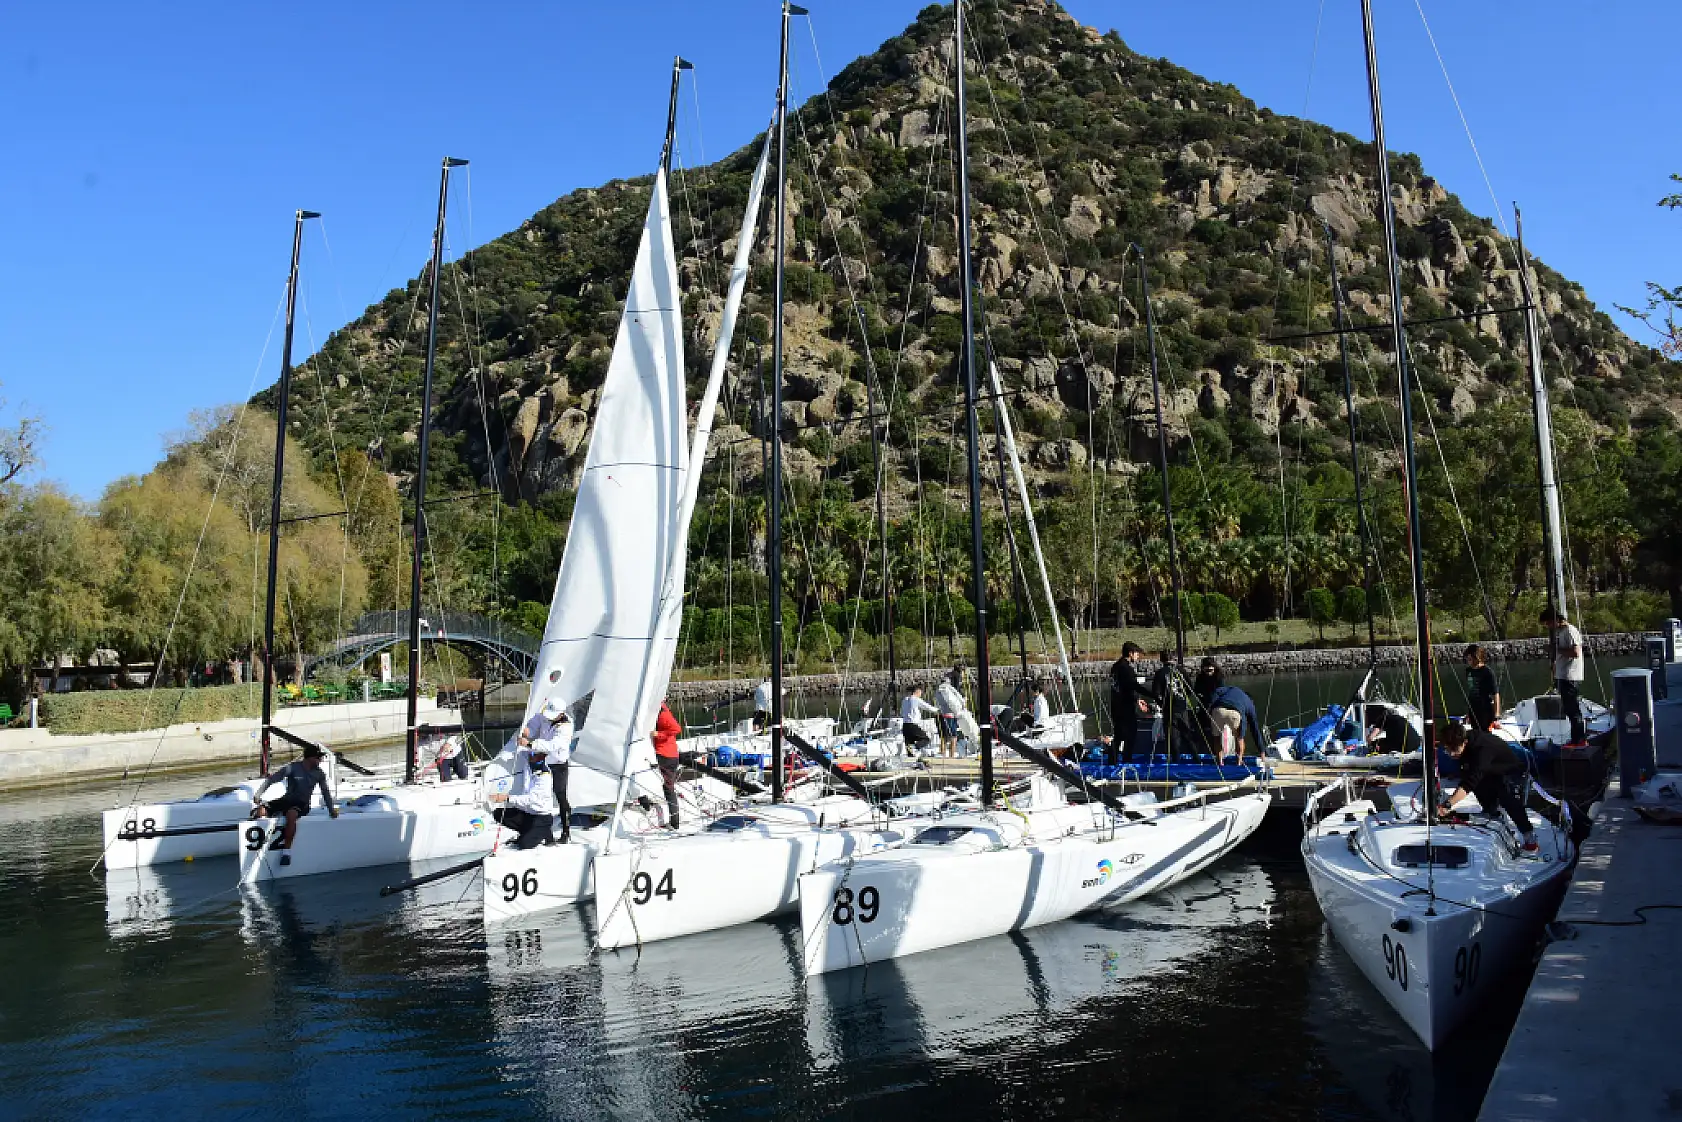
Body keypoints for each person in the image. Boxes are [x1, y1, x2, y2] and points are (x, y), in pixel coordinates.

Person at [1439, 722, 1539, 853]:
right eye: (1447, 750)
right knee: (1477, 783)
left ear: (1465, 742)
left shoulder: (1483, 748)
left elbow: (1470, 782)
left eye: (1454, 750)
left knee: (1507, 797)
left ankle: (1530, 839)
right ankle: (1491, 812)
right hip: (1490, 771)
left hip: (1510, 771)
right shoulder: (1462, 743)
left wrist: (1448, 804)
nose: (1451, 754)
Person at [251, 744, 339, 850]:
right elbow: (272, 779)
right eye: (318, 758)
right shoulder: (292, 768)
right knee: (260, 810)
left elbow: (325, 792)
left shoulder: (319, 774)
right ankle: (257, 842)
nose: (320, 760)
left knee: (291, 815)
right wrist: (258, 795)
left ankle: (287, 852)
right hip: (287, 800)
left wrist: (331, 810)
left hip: (302, 804)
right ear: (310, 758)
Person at [518, 697, 573, 843]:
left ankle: (566, 832)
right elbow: (534, 723)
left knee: (560, 796)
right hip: (542, 762)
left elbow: (553, 745)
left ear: (561, 714)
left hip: (557, 764)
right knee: (541, 796)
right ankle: (544, 833)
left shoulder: (566, 727)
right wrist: (527, 731)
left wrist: (530, 744)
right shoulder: (544, 714)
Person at [492, 741, 558, 850]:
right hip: (527, 813)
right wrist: (524, 739)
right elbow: (519, 749)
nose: (529, 756)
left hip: (541, 816)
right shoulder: (528, 764)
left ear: (541, 757)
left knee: (524, 844)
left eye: (532, 755)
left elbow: (532, 800)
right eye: (529, 754)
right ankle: (528, 832)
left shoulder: (544, 776)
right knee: (499, 814)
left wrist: (507, 798)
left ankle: (545, 832)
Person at [1540, 609, 1586, 745]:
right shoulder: (1561, 632)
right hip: (1563, 675)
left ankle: (1580, 740)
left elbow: (1575, 652)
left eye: (1548, 623)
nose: (1548, 626)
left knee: (1573, 710)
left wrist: (1555, 650)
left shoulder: (1570, 631)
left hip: (1570, 676)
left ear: (1555, 620)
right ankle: (1575, 738)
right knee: (1569, 709)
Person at [1106, 642, 1151, 765]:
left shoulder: (1115, 667)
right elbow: (1134, 686)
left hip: (1116, 705)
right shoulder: (1126, 668)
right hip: (1125, 707)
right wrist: (1153, 695)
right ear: (1130, 653)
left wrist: (1137, 699)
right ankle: (1127, 761)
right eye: (1137, 653)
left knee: (1119, 735)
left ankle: (1113, 761)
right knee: (1130, 735)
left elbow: (1125, 687)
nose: (1138, 656)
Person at [1206, 680, 1264, 762]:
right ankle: (1239, 762)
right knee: (1239, 738)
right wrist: (1262, 751)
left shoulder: (1233, 689)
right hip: (1235, 713)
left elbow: (1216, 691)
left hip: (1218, 710)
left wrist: (1211, 705)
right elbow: (1255, 730)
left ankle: (1220, 762)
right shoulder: (1250, 704)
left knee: (1217, 738)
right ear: (1252, 700)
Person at [652, 700, 683, 829]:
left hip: (666, 755)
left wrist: (659, 734)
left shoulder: (663, 714)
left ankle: (674, 823)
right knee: (668, 788)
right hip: (666, 754)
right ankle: (673, 821)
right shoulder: (658, 711)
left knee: (669, 789)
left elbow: (677, 728)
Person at [1463, 645, 1500, 732]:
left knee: (1485, 734)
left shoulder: (1487, 672)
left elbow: (1496, 694)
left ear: (1477, 658)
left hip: (1485, 709)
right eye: (1468, 659)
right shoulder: (1468, 671)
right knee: (1475, 733)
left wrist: (1496, 716)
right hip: (1473, 708)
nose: (1469, 662)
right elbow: (1469, 692)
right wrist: (1468, 712)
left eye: (1470, 659)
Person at [934, 668, 967, 758]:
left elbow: (937, 703)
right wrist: (963, 703)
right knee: (953, 736)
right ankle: (951, 756)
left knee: (943, 737)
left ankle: (942, 754)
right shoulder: (950, 689)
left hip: (940, 715)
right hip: (950, 716)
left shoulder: (937, 691)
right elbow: (960, 700)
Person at [899, 685, 937, 751]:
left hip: (905, 726)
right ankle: (914, 748)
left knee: (909, 744)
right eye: (920, 692)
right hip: (913, 725)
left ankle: (911, 757)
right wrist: (937, 710)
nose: (920, 694)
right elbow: (927, 707)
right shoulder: (915, 699)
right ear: (917, 691)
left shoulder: (904, 700)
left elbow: (901, 713)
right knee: (926, 739)